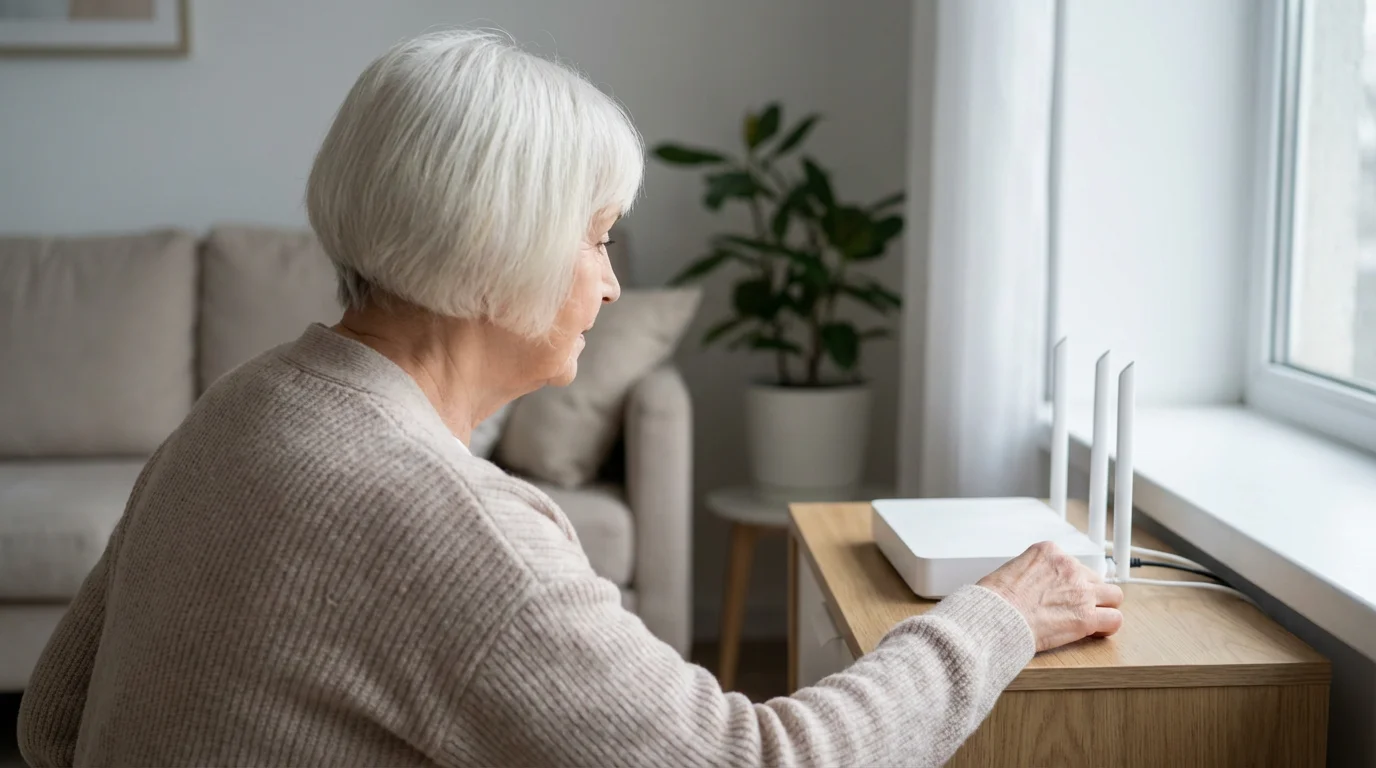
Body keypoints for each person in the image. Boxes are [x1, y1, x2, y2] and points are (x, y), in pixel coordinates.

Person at [16, 29, 1124, 767]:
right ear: (493, 251)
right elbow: (754, 761)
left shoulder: (242, 405)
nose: (609, 281)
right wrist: (998, 617)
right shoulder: (452, 528)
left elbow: (52, 719)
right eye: (595, 239)